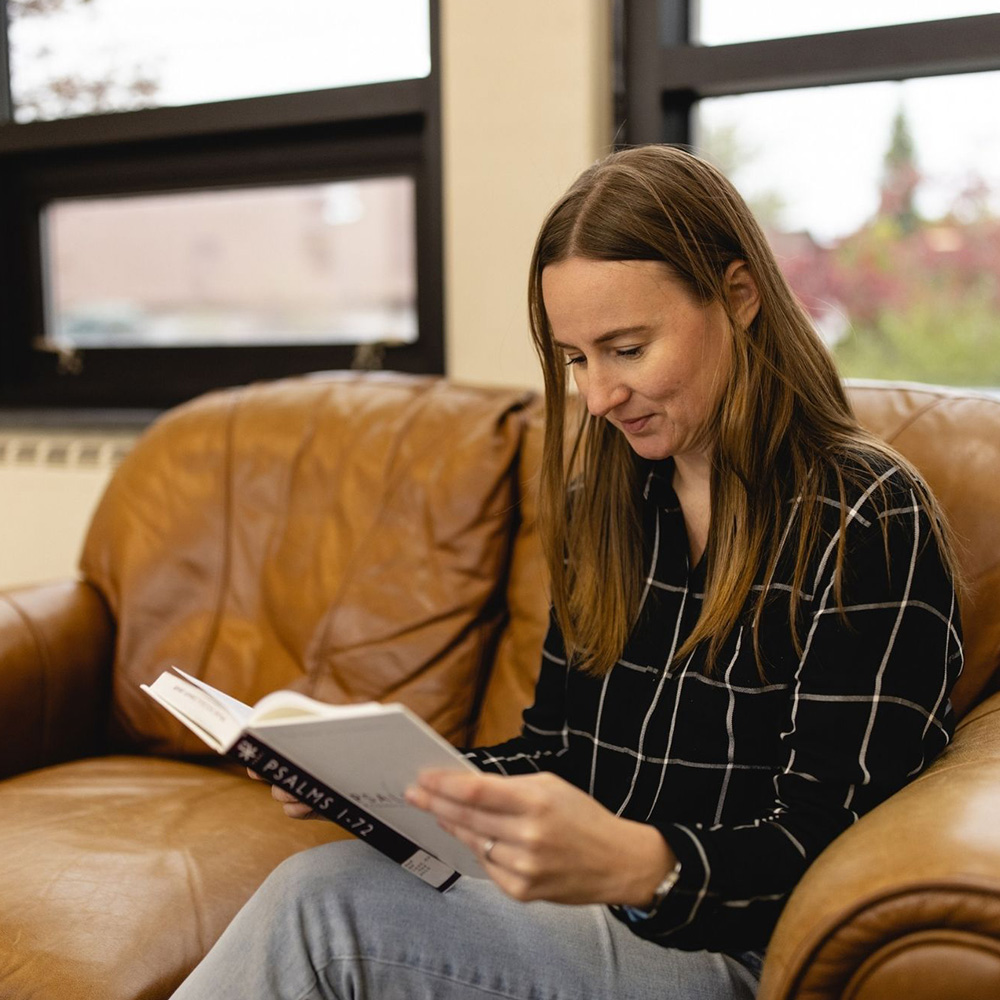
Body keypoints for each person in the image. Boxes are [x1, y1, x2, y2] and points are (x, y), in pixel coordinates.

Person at [171, 145, 963, 1000]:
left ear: (739, 296)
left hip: (738, 950)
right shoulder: (610, 500)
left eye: (627, 348)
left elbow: (834, 840)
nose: (597, 396)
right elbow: (559, 754)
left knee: (321, 910)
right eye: (577, 358)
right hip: (589, 917)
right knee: (334, 880)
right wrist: (385, 786)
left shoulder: (864, 514)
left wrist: (642, 865)